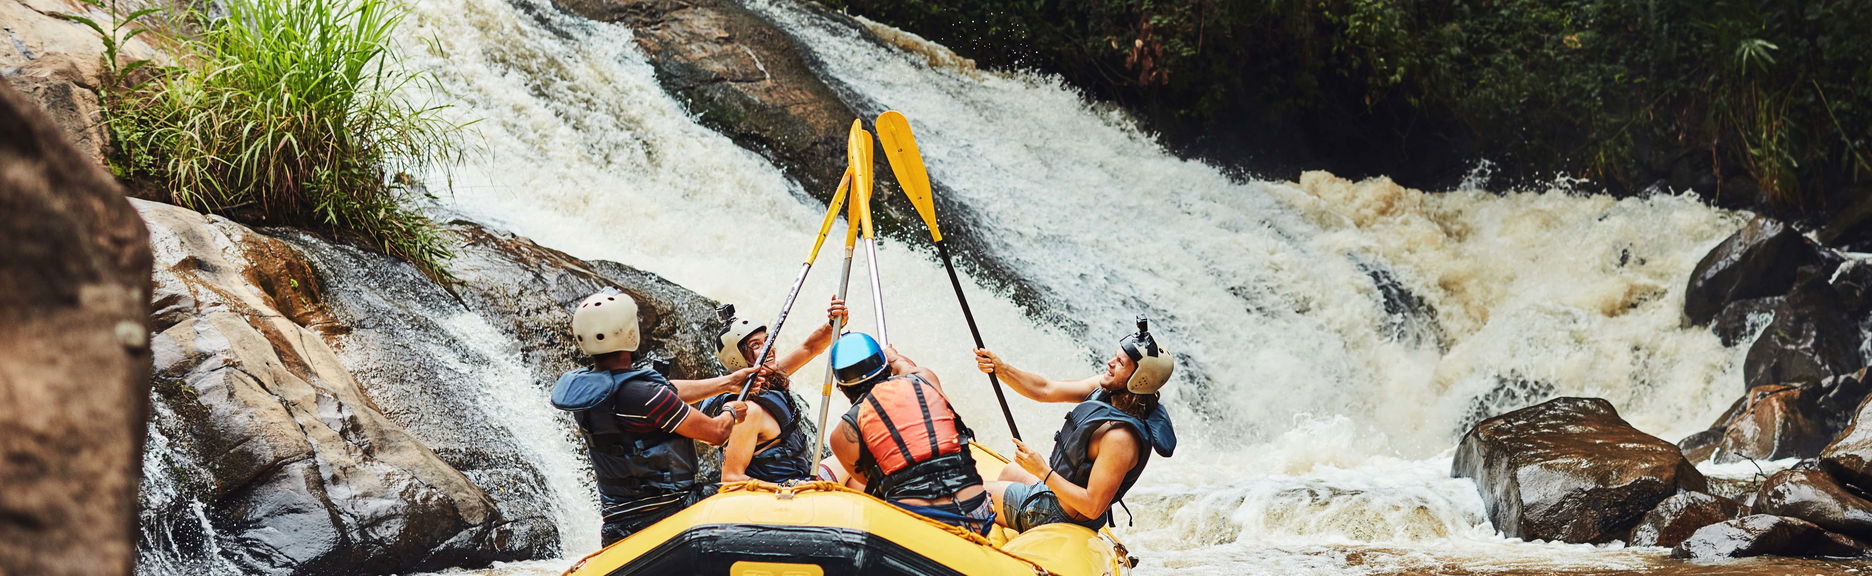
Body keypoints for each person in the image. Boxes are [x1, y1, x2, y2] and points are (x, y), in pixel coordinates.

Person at [549, 291, 749, 545]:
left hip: (617, 523)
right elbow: (717, 433)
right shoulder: (645, 395)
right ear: (630, 332)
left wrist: (726, 383)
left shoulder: (588, 390)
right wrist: (732, 411)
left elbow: (666, 392)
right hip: (670, 510)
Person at [973, 316, 1178, 532]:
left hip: (1055, 514)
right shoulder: (1108, 391)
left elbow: (1092, 507)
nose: (1110, 363)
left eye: (1120, 363)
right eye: (1115, 357)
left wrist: (1042, 471)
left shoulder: (1121, 438)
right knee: (1010, 471)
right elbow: (1045, 389)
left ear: (1139, 379)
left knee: (964, 494)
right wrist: (1002, 368)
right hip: (1057, 496)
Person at [827, 333, 996, 535]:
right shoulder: (925, 379)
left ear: (842, 388)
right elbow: (907, 367)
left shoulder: (843, 433)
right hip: (977, 511)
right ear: (886, 367)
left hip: (918, 525)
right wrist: (895, 358)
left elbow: (867, 480)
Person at [698, 297, 846, 483]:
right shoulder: (747, 411)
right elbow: (731, 478)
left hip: (801, 479)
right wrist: (786, 490)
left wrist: (833, 322)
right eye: (756, 345)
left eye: (767, 341)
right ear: (737, 358)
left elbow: (809, 348)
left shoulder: (770, 379)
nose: (769, 349)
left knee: (857, 455)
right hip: (784, 494)